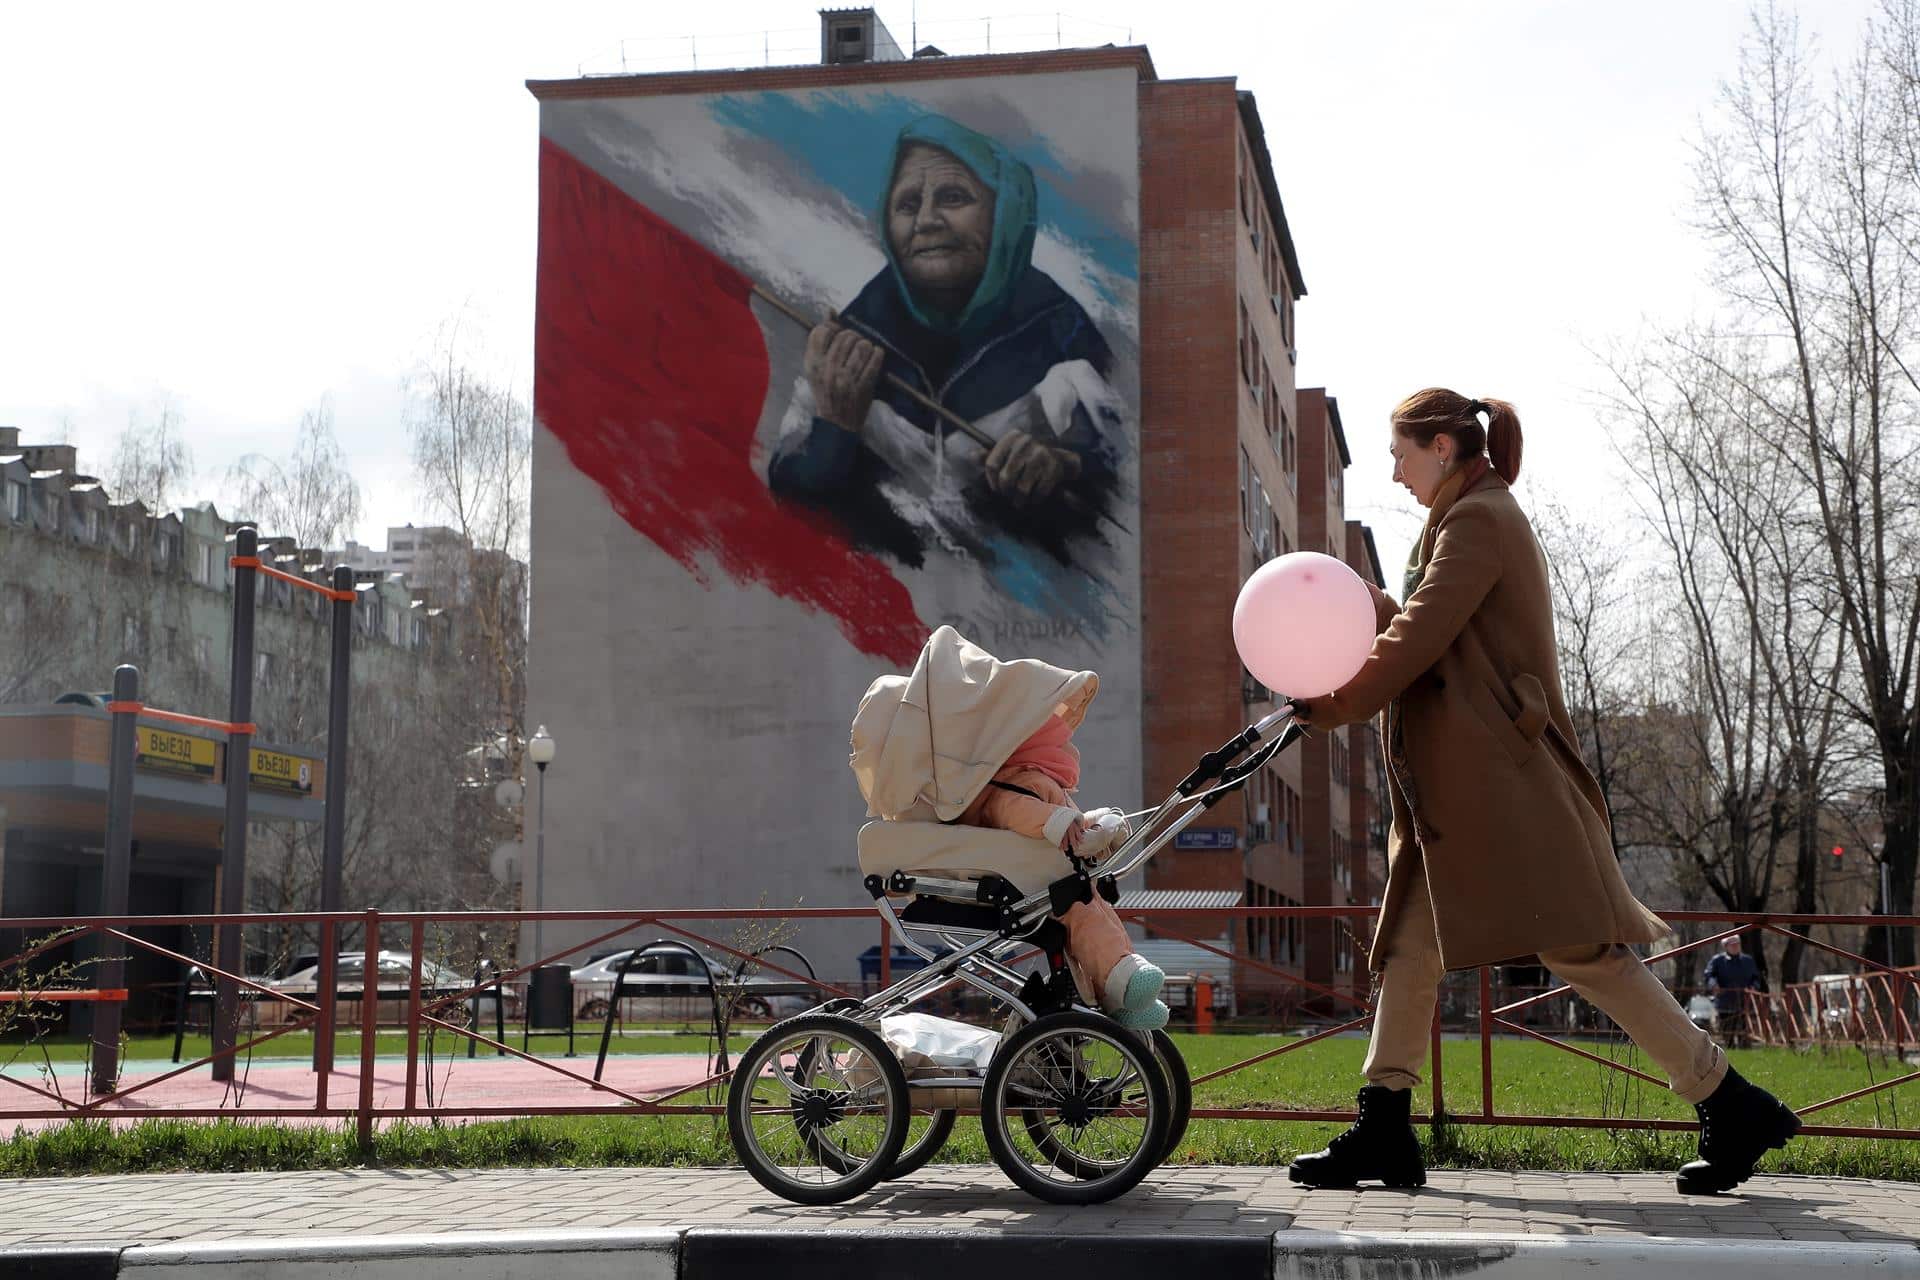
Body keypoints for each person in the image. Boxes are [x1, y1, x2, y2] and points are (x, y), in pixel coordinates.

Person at [1286, 389, 1799, 1196]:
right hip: (1460, 798)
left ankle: (1732, 1102)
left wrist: (1334, 704)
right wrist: (1356, 613)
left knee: (1581, 952)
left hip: (1502, 791)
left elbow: (1422, 638)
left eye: (1401, 453)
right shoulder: (1457, 521)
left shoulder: (1480, 521)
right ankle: (1384, 1123)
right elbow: (1429, 628)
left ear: (1443, 449)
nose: (1394, 471)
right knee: (1411, 952)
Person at [766, 113, 1127, 556]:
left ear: (1004, 213)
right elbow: (792, 507)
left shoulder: (1061, 331)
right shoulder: (852, 340)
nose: (926, 220)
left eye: (953, 197)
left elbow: (1120, 486)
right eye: (907, 204)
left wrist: (1061, 465)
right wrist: (835, 428)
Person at [958, 708, 1169, 1030]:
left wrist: (1101, 823)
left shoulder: (1033, 782)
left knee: (1100, 919)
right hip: (1033, 885)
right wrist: (1059, 821)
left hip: (1050, 881)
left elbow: (1067, 821)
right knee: (1086, 920)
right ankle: (1121, 980)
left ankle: (1117, 992)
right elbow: (1018, 813)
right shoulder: (1010, 785)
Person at [1704, 934, 1764, 1048]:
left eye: (1737, 944)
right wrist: (1714, 985)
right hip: (1725, 1001)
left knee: (1744, 1029)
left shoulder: (1748, 960)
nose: (1735, 947)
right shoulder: (1717, 961)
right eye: (1732, 945)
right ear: (1726, 947)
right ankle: (1730, 1047)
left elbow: (1756, 978)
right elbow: (1709, 975)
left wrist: (1753, 988)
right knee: (1727, 1029)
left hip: (1744, 1002)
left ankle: (1744, 1048)